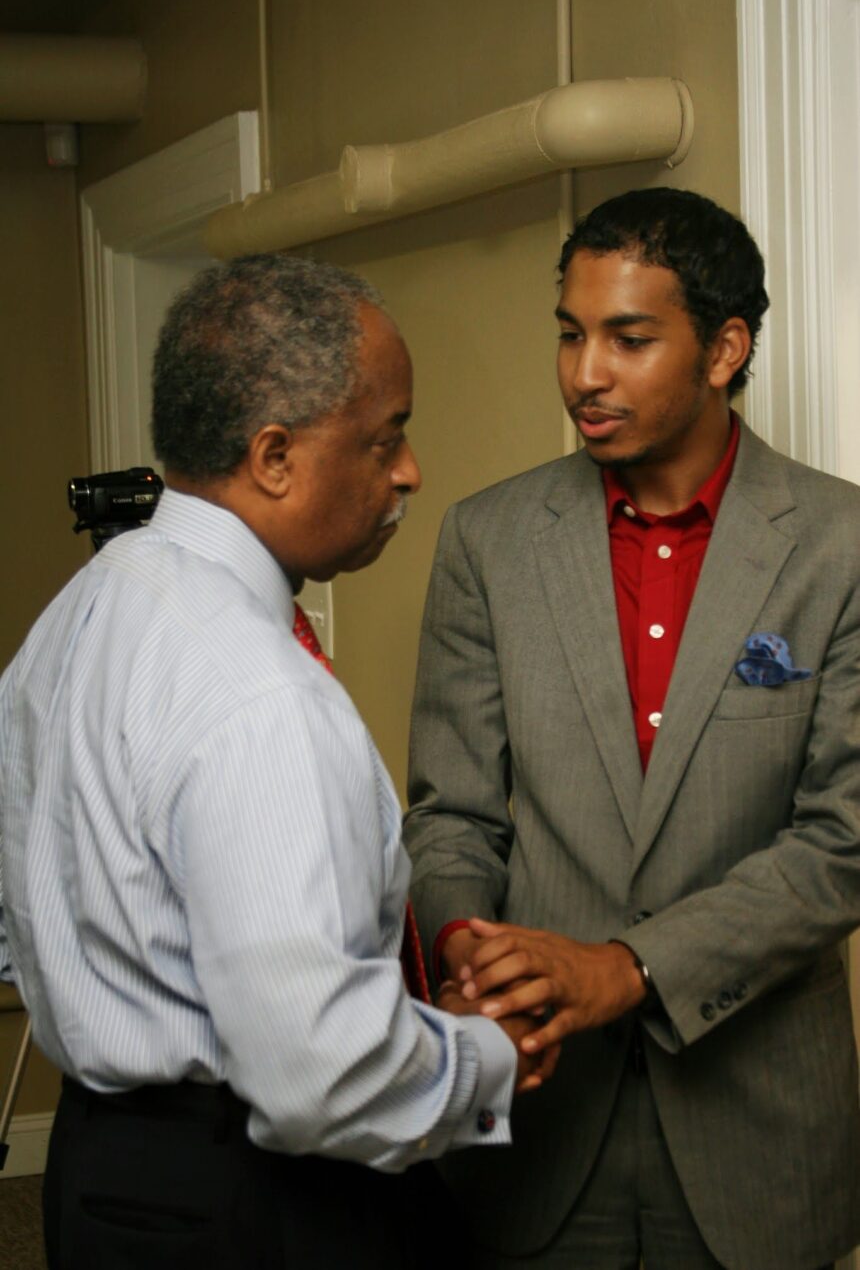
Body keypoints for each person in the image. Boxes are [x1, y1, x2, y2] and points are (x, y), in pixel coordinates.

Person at [0, 255, 550, 1270]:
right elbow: (318, 1082)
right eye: (384, 437)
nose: (409, 471)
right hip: (259, 1194)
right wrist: (483, 1057)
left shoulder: (80, 613)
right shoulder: (261, 697)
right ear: (274, 455)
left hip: (101, 1174)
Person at [404, 188, 860, 1270]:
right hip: (535, 1126)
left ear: (723, 348)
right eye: (568, 333)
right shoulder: (487, 540)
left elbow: (841, 843)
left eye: (627, 337)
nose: (583, 374)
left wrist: (625, 968)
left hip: (760, 1130)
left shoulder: (839, 546)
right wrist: (473, 963)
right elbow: (452, 814)